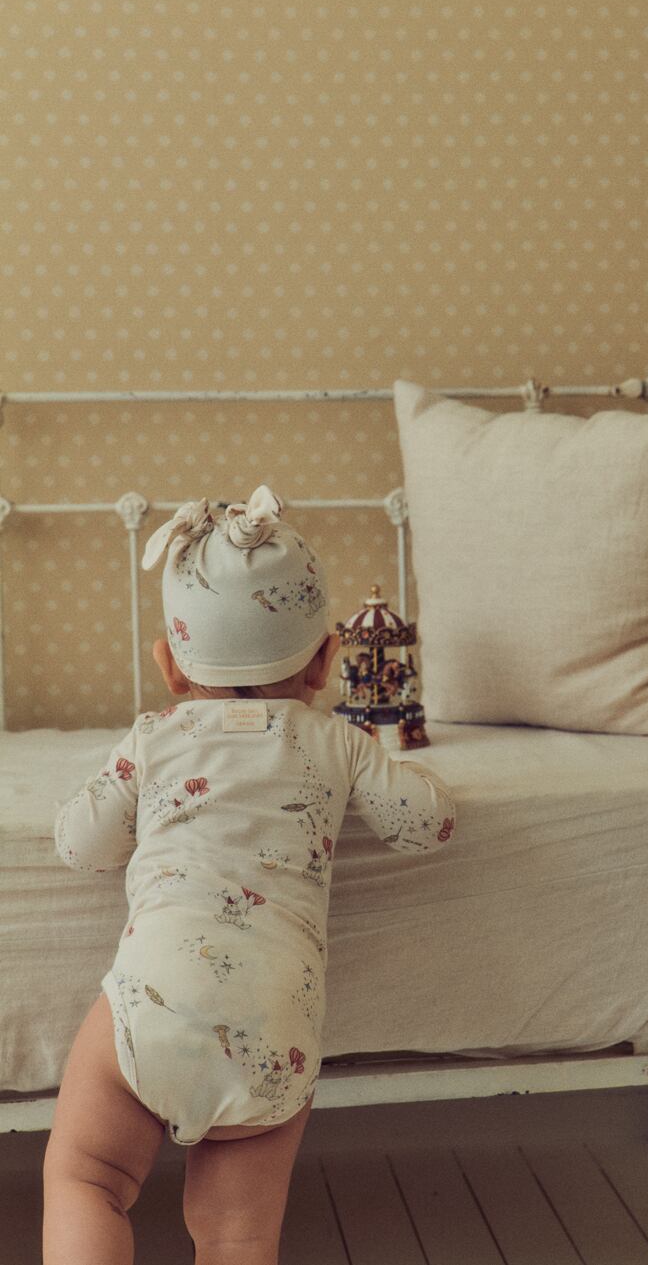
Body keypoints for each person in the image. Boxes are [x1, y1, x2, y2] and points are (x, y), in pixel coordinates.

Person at [43, 485, 456, 1265]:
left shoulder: (153, 739)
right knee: (237, 1235)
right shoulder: (338, 743)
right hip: (273, 1029)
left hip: (150, 1003)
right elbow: (428, 823)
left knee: (86, 1178)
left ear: (170, 666)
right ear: (328, 659)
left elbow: (80, 844)